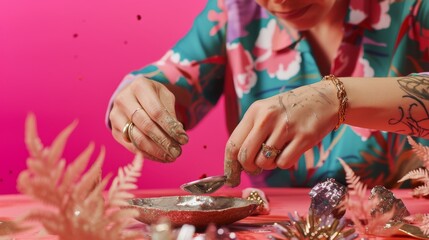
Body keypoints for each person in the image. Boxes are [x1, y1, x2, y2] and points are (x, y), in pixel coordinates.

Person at [107, 0, 429, 189]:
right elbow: (171, 82)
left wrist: (336, 97)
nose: (281, 2)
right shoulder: (235, 12)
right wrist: (135, 99)